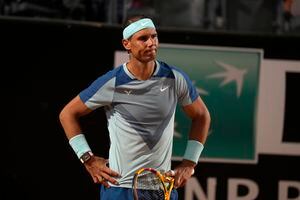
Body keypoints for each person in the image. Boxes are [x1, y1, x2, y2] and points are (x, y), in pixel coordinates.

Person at [59, 15, 211, 200]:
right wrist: (87, 159)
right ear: (127, 44)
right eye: (143, 38)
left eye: (154, 36)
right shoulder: (112, 82)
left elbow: (202, 115)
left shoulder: (175, 78)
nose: (151, 43)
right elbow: (67, 114)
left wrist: (189, 163)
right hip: (119, 188)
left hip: (161, 187)